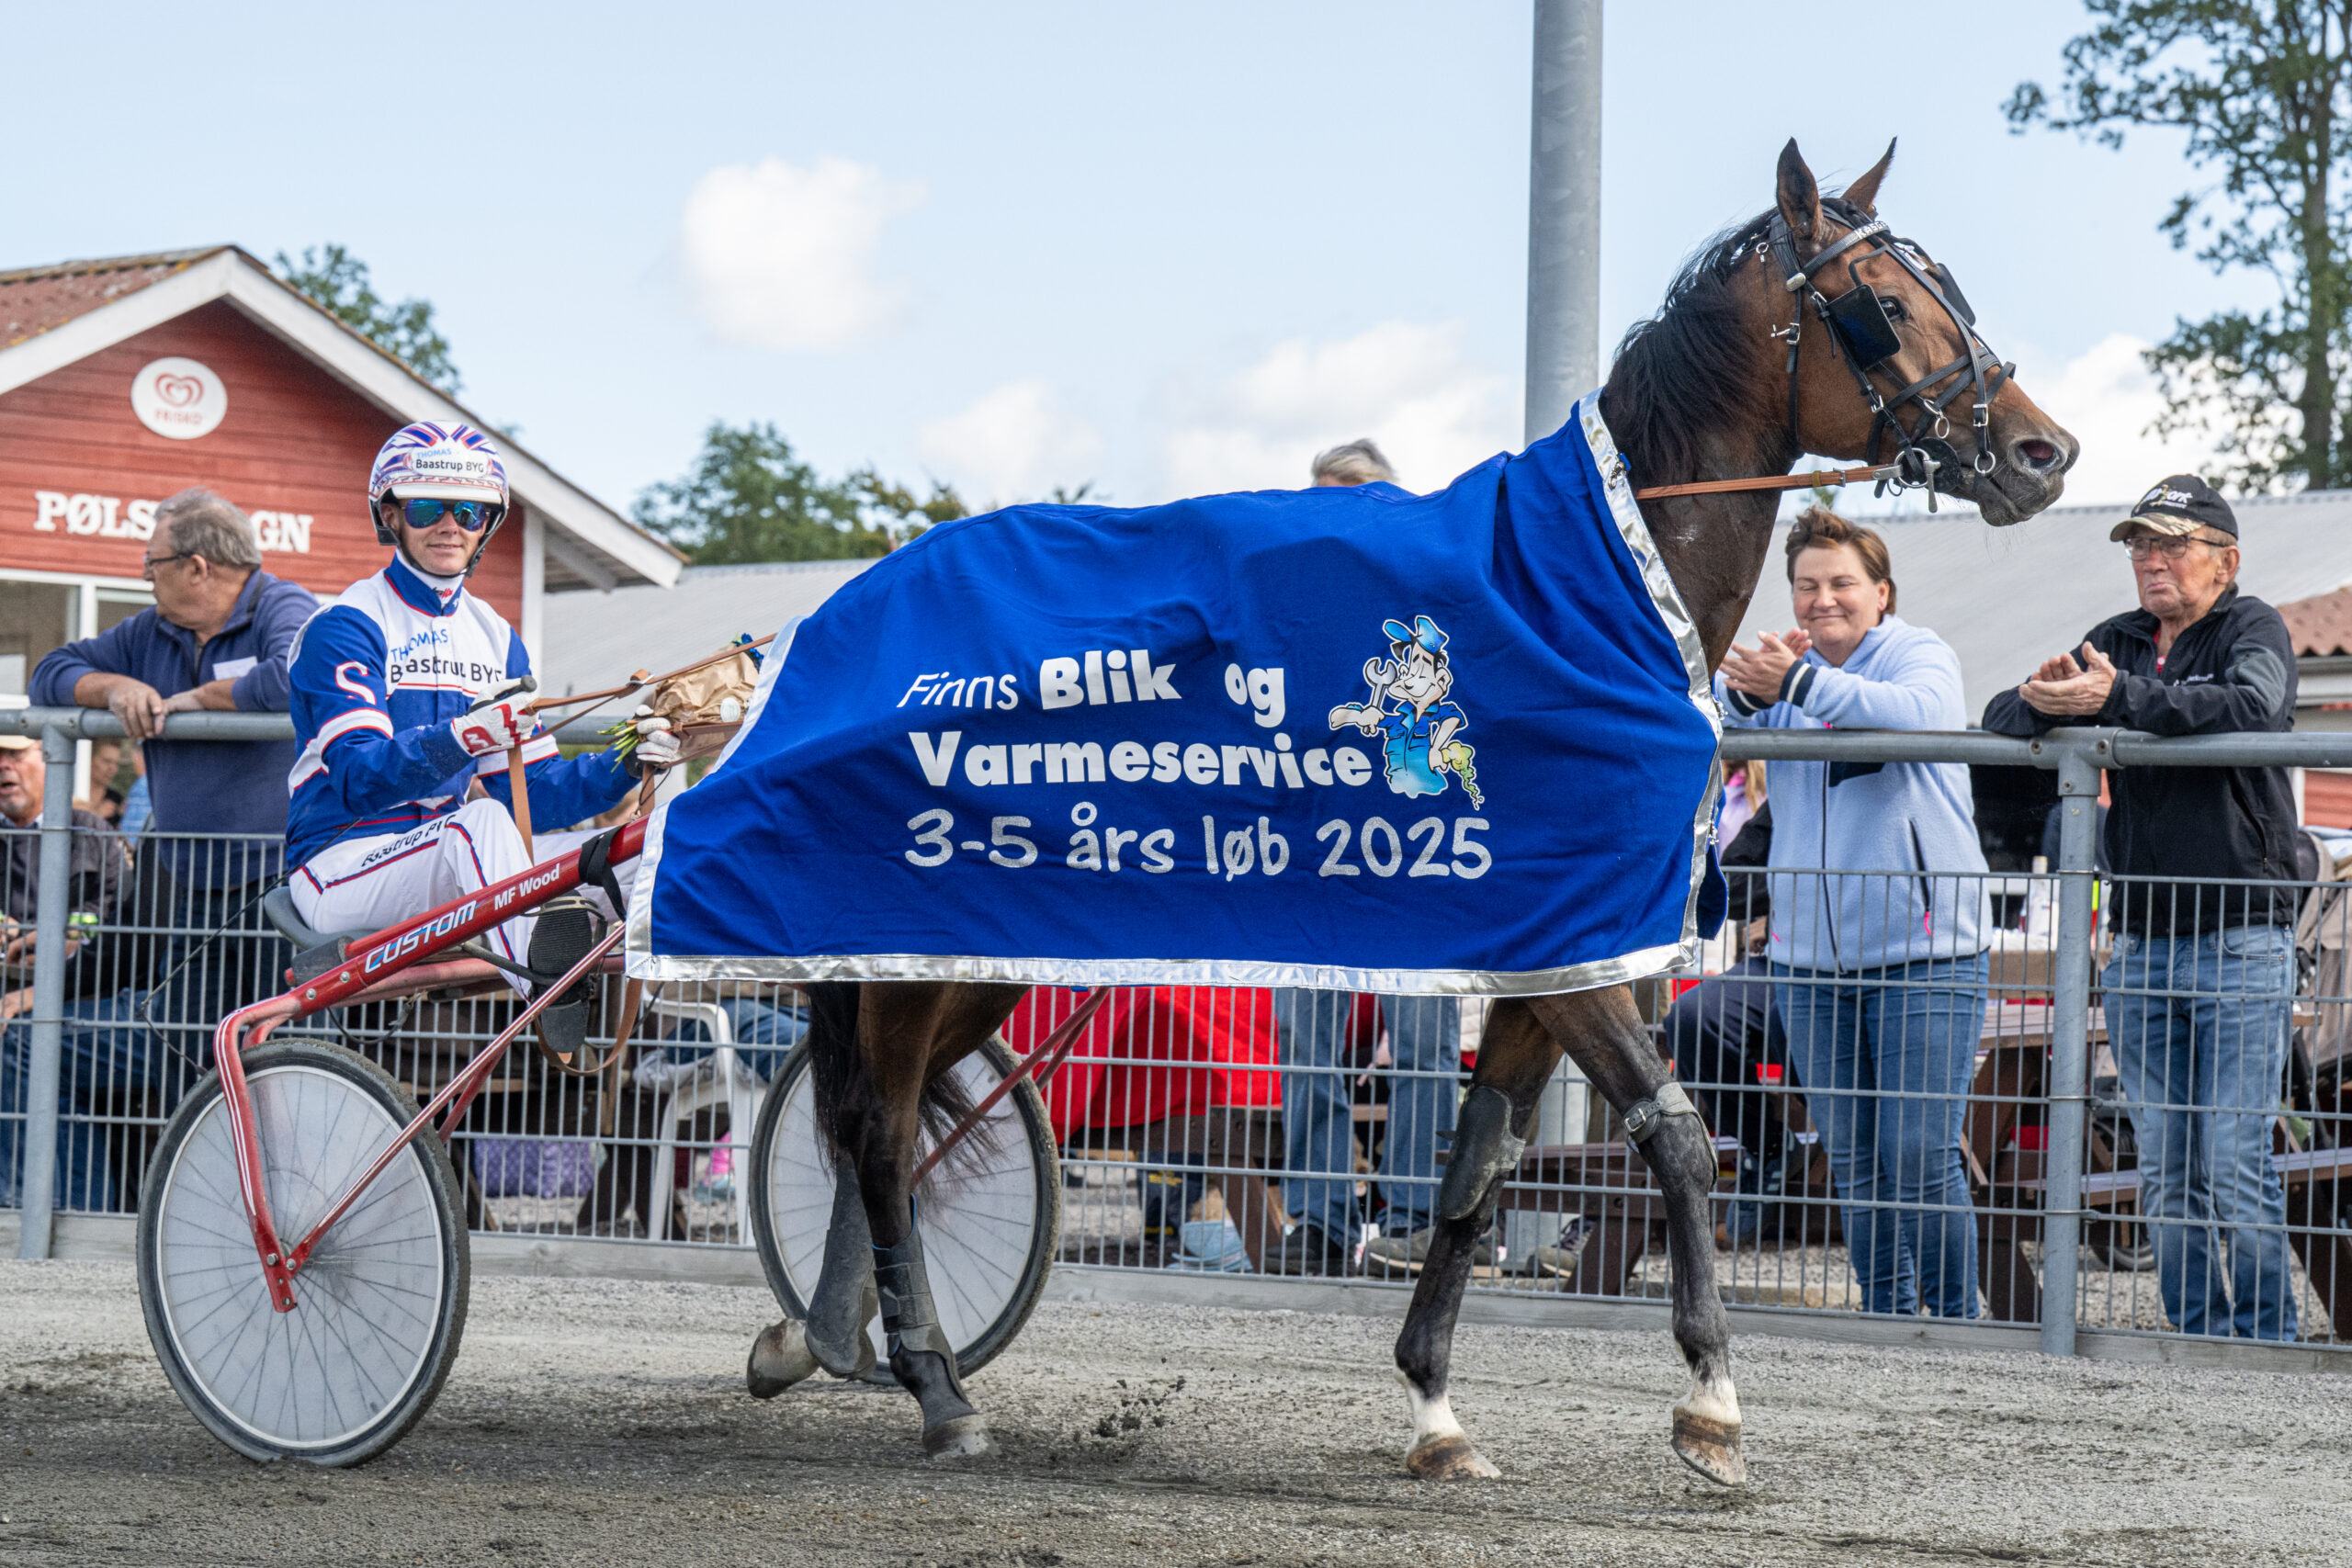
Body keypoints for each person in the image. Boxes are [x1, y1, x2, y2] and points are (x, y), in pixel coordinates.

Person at [1982, 474, 2301, 1340]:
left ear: (2225, 561)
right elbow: (2006, 710)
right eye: (2139, 546)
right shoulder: (2114, 640)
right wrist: (2047, 703)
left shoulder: (2252, 624)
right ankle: (2198, 1334)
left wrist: (2112, 701)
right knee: (2165, 1160)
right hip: (2144, 939)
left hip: (2241, 934)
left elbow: (2255, 705)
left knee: (2233, 1155)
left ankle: (2267, 1339)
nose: (2151, 561)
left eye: (2171, 544)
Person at [283, 423, 677, 1054]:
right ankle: (550, 997)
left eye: (469, 510)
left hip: (452, 859)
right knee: (481, 823)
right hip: (339, 865)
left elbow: (537, 796)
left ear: (488, 523)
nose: (450, 525)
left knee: (644, 843)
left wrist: (629, 760)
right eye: (425, 507)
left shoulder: (495, 635)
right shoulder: (346, 624)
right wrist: (463, 737)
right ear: (390, 515)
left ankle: (666, 1028)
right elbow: (358, 779)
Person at [1719, 507, 1988, 1318]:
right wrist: (1742, 691)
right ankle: (1886, 1316)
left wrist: (1795, 683)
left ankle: (1956, 1322)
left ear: (1882, 593)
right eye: (1806, 585)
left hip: (1926, 954)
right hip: (1809, 963)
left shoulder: (1919, 652)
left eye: (1841, 583)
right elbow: (1721, 725)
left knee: (1920, 1151)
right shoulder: (1787, 672)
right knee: (1857, 1156)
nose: (1821, 600)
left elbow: (1918, 716)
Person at [1267, 440, 1461, 1278]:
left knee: (1424, 1042)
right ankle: (1316, 1216)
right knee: (1307, 1042)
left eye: (1347, 498)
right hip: (1316, 856)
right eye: (1319, 500)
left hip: (1413, 857)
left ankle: (1414, 1215)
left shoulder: (1433, 598)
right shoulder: (1291, 600)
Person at [30, 490, 318, 1032]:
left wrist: (200, 699)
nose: (145, 576)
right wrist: (114, 687)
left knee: (280, 1054)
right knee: (186, 1049)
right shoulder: (150, 630)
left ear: (196, 567)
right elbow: (49, 672)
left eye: (152, 563)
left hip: (282, 890)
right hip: (191, 883)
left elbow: (296, 677)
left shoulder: (283, 606)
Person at [0, 731, 139, 1210]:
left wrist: (67, 938)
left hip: (87, 995)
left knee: (28, 1041)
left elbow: (119, 917)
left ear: (50, 756)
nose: (4, 767)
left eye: (15, 754)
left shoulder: (92, 832)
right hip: (11, 990)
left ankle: (26, 1204)